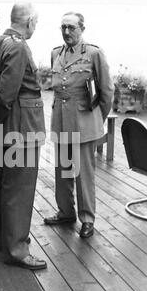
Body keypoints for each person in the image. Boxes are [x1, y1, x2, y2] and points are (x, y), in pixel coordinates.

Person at [0, 2, 47, 270]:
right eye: (36, 22)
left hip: (7, 126)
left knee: (7, 185)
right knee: (20, 188)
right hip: (22, 126)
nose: (35, 27)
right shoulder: (18, 46)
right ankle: (17, 250)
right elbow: (7, 93)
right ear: (29, 21)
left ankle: (6, 242)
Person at [44, 12, 114, 238]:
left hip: (83, 123)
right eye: (63, 27)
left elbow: (107, 92)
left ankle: (87, 219)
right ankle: (66, 212)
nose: (66, 32)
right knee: (63, 171)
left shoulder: (93, 53)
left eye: (71, 28)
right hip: (61, 121)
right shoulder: (56, 52)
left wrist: (96, 121)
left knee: (83, 174)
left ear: (82, 28)